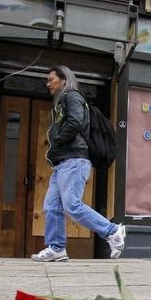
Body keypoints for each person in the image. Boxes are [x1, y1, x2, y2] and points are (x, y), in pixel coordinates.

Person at [31, 65, 126, 262]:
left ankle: (112, 231)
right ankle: (56, 248)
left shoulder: (72, 96)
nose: (48, 83)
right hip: (62, 164)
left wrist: (57, 142)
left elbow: (75, 122)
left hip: (74, 160)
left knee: (72, 205)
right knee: (51, 207)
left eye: (51, 79)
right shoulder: (61, 102)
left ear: (64, 79)